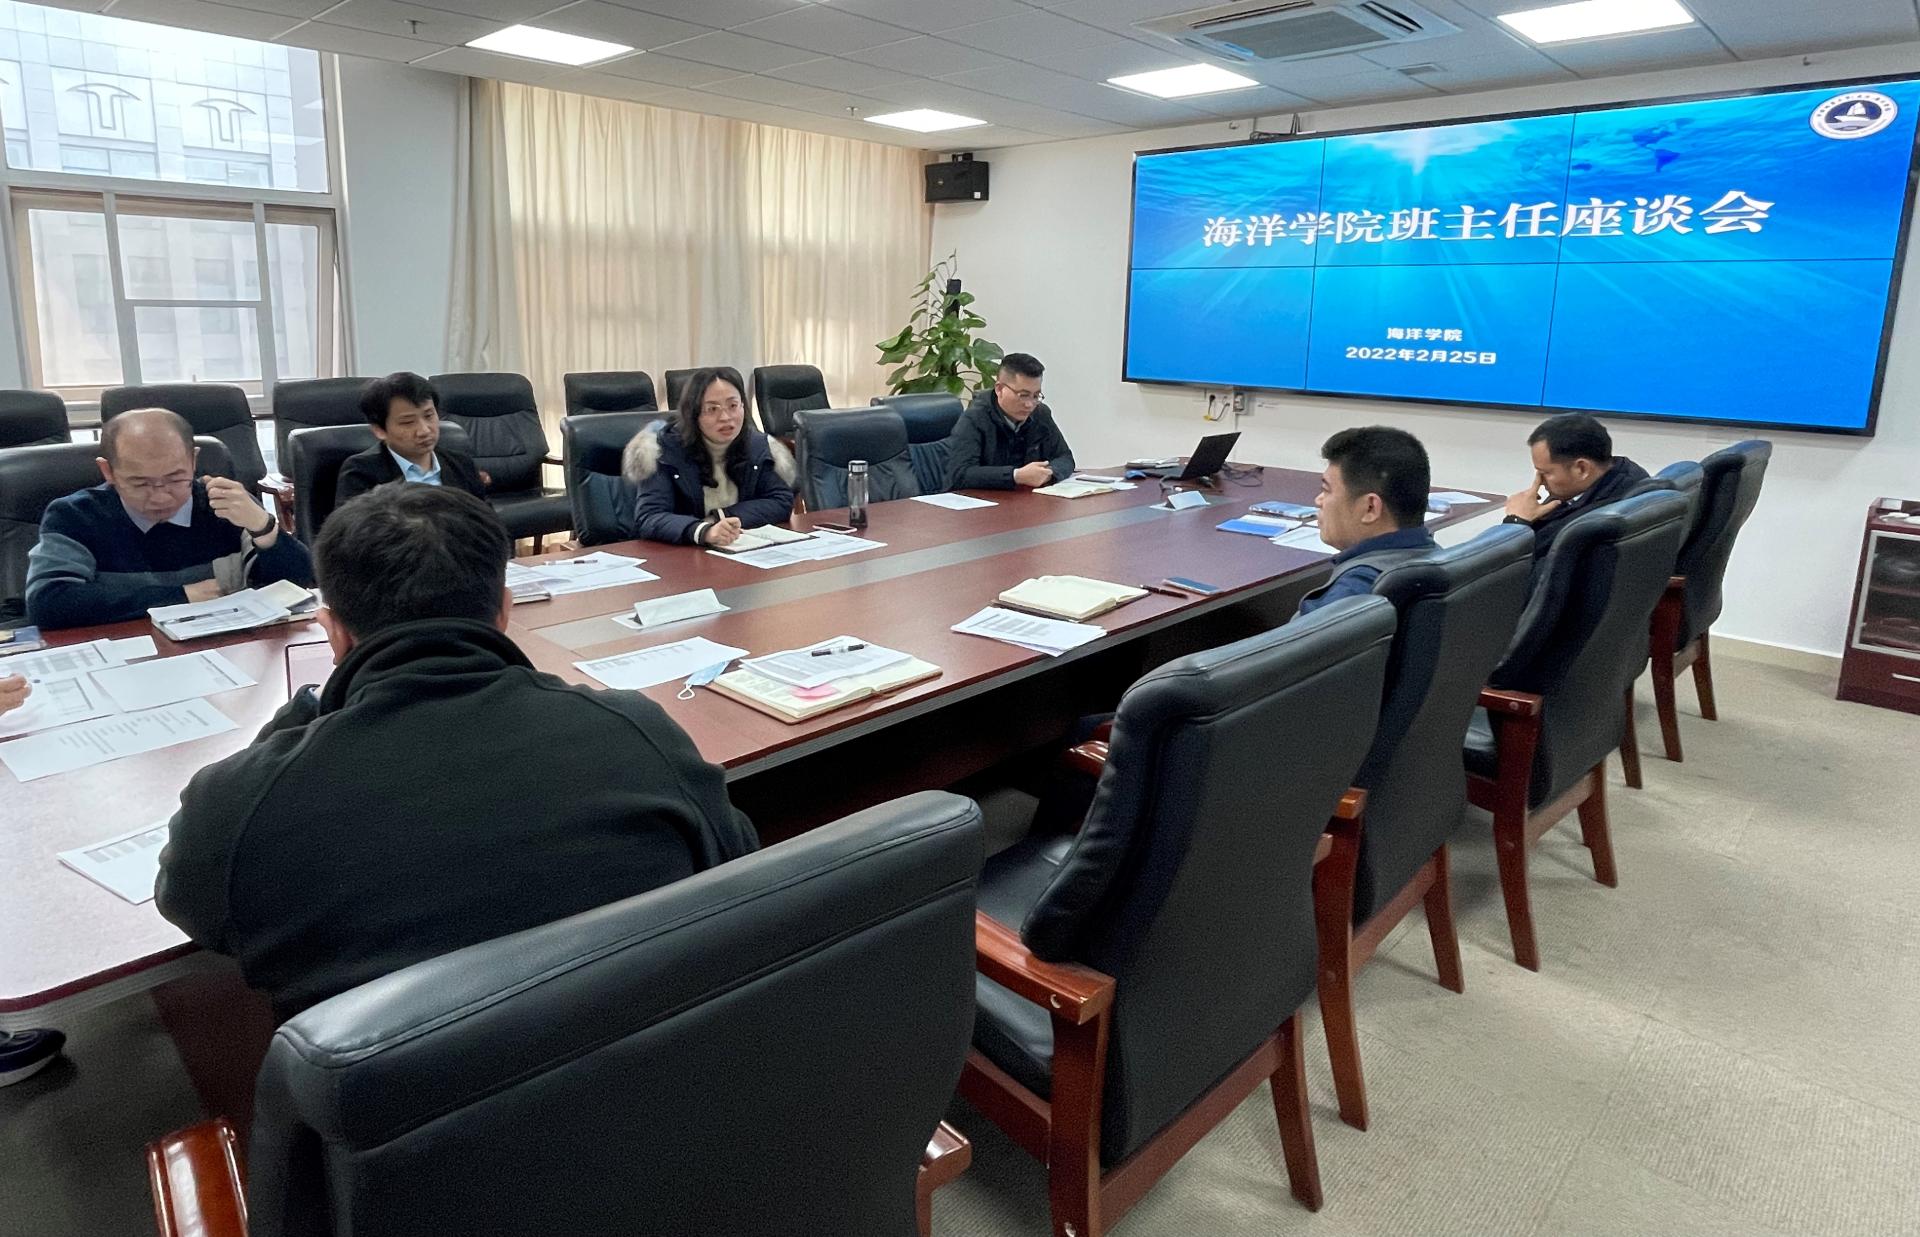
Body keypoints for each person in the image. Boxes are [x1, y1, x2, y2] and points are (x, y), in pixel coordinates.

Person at [155, 485, 759, 1021]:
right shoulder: (635, 730)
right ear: (504, 610)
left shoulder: (243, 800)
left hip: (402, 1108)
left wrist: (305, 711)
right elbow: (735, 856)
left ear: (333, 632)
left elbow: (193, 907)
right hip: (646, 1069)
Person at [25, 409, 314, 629]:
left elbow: (301, 585)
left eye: (176, 479)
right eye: (140, 483)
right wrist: (181, 596)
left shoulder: (224, 503)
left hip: (225, 650)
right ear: (108, 471)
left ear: (193, 460)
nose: (161, 497)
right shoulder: (75, 516)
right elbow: (48, 603)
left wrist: (264, 528)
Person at [623, 366, 795, 546]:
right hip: (682, 554)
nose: (725, 417)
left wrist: (721, 517)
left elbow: (781, 501)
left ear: (743, 406)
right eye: (712, 409)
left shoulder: (757, 445)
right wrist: (703, 531)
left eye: (733, 406)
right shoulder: (664, 451)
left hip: (740, 549)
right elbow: (650, 517)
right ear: (693, 413)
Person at [1297, 426, 1437, 617]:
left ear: (1370, 508)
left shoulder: (1350, 595)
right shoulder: (1438, 560)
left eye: (1326, 490)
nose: (1318, 500)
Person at [1504, 413, 1650, 561]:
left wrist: (1516, 523)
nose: (1540, 482)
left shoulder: (1579, 530)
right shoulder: (1629, 476)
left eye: (1545, 473)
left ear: (1582, 469)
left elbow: (1514, 570)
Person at [335, 371, 489, 504]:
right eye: (407, 422)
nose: (424, 430)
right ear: (379, 430)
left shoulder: (461, 464)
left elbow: (487, 522)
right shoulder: (361, 472)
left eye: (429, 416)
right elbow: (353, 528)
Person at [944, 353, 1076, 491]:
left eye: (1036, 395)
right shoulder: (975, 418)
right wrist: (1015, 476)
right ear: (999, 389)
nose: (1029, 404)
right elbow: (960, 474)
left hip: (1024, 499)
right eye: (1023, 395)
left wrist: (1049, 473)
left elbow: (1065, 457)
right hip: (982, 501)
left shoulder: (1040, 413)